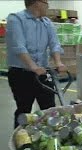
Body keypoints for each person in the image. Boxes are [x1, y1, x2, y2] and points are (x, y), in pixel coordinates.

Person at [6, 0, 67, 128]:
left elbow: (54, 43)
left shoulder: (47, 22)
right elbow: (18, 46)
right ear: (38, 3)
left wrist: (58, 62)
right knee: (24, 109)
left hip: (43, 72)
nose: (48, 6)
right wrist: (33, 66)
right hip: (21, 73)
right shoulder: (16, 19)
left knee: (49, 108)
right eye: (46, 3)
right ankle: (22, 142)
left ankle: (49, 137)